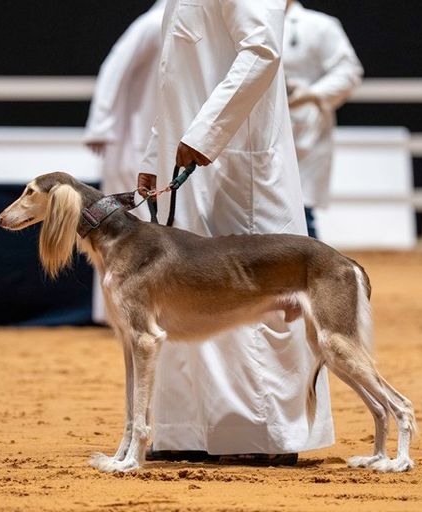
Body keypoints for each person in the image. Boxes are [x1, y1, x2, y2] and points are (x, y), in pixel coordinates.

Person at [140, 0, 333, 463]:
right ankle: (186, 430)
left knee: (246, 293)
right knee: (183, 292)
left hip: (235, 162)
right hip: (190, 157)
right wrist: (154, 154)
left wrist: (206, 133)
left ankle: (259, 434)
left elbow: (262, 50)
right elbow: (176, 78)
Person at [84, 0, 165, 323]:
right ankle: (119, 311)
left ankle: (146, 307)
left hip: (156, 143)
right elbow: (113, 68)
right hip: (131, 143)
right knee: (121, 230)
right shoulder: (153, 23)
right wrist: (101, 126)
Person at [283, 0, 363, 238]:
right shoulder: (243, 19)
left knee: (300, 212)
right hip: (253, 133)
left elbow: (349, 71)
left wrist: (312, 94)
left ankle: (313, 273)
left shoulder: (319, 26)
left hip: (303, 132)